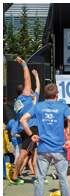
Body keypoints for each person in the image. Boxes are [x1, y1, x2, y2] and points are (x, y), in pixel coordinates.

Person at [20, 83, 70, 196]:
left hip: (43, 149)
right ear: (57, 95)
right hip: (59, 148)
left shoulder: (38, 106)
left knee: (40, 178)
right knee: (63, 177)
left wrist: (31, 135)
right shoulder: (62, 106)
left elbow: (23, 119)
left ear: (45, 95)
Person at [11, 57, 40, 185]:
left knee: (27, 154)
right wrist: (24, 65)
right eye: (27, 89)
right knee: (24, 154)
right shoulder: (26, 97)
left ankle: (16, 175)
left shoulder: (17, 102)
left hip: (23, 128)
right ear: (24, 92)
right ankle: (15, 175)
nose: (29, 89)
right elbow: (27, 79)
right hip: (30, 129)